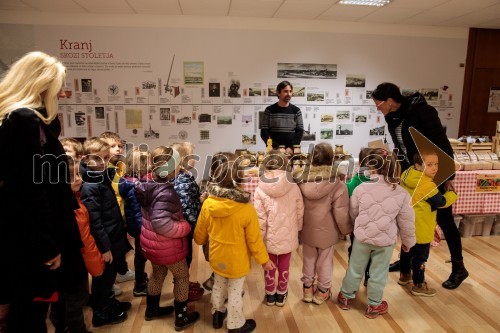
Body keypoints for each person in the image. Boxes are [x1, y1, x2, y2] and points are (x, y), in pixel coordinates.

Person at [0, 51, 87, 333]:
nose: (61, 92)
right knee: (31, 313)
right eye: (57, 85)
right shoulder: (24, 121)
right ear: (41, 83)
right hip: (35, 239)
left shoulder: (16, 119)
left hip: (28, 234)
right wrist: (48, 246)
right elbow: (32, 191)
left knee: (31, 310)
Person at [372, 82, 468, 289]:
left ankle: (459, 268)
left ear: (390, 100)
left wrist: (449, 175)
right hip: (412, 174)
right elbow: (401, 146)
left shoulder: (423, 112)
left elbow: (442, 143)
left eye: (378, 104)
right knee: (409, 217)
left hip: (434, 173)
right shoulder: (392, 116)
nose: (377, 108)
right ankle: (406, 262)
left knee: (444, 219)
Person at [194, 152, 275, 332]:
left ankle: (217, 314)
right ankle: (236, 324)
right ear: (240, 180)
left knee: (218, 286)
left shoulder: (208, 203)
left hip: (217, 257)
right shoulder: (247, 209)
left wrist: (199, 240)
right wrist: (264, 261)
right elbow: (255, 241)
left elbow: (200, 232)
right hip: (237, 261)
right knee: (235, 292)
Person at [337, 148, 416, 319]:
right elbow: (407, 222)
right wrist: (408, 243)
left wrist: (356, 226)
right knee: (378, 274)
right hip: (385, 241)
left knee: (355, 269)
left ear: (371, 168)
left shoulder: (361, 188)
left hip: (362, 238)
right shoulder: (402, 194)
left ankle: (345, 296)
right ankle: (374, 304)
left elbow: (353, 211)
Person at [135, 146, 200, 330]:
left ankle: (151, 310)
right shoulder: (166, 192)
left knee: (157, 275)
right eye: (178, 164)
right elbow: (162, 224)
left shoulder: (146, 184)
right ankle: (181, 318)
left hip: (152, 245)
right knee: (182, 278)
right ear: (171, 169)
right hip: (167, 246)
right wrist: (185, 226)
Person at [80, 137, 132, 327]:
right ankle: (100, 313)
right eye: (98, 159)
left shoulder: (100, 177)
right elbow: (94, 221)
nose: (103, 163)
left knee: (109, 277)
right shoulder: (90, 185)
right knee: (103, 278)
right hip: (105, 241)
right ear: (85, 160)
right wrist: (105, 248)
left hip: (112, 235)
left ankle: (108, 303)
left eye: (105, 158)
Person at [50, 159, 105, 333]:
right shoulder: (73, 208)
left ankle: (62, 326)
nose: (78, 179)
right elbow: (86, 241)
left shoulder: (66, 200)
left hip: (64, 263)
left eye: (78, 174)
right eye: (71, 176)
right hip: (73, 263)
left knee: (61, 300)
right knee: (75, 300)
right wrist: (97, 267)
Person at [293, 143, 351, 305]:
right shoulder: (338, 184)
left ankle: (307, 290)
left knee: (308, 259)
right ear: (331, 159)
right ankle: (322, 292)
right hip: (328, 230)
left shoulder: (300, 181)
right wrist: (345, 230)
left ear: (311, 159)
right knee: (325, 261)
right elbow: (341, 212)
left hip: (307, 229)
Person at [399, 151, 458, 296]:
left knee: (406, 250)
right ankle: (418, 285)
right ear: (418, 166)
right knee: (420, 257)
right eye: (429, 165)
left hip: (407, 224)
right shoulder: (426, 185)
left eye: (436, 164)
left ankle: (405, 275)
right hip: (422, 227)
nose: (435, 168)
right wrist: (452, 194)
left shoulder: (406, 174)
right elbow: (441, 202)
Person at [253, 151, 304, 307]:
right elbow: (300, 210)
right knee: (284, 265)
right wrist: (298, 228)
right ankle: (281, 293)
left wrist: (258, 238)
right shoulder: (294, 186)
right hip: (288, 234)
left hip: (269, 236)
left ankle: (270, 294)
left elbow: (259, 217)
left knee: (268, 265)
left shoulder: (259, 188)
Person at [99, 131, 135, 292]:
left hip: (120, 213)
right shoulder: (105, 169)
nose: (118, 149)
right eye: (113, 146)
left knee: (120, 248)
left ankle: (121, 271)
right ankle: (108, 283)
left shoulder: (120, 166)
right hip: (109, 216)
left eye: (120, 146)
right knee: (110, 252)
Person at [170, 142, 205, 302]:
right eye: (192, 156)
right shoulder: (182, 180)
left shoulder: (183, 177)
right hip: (183, 230)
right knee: (185, 260)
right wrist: (195, 227)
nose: (195, 159)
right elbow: (185, 208)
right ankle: (182, 292)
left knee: (184, 260)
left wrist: (199, 198)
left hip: (181, 229)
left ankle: (183, 284)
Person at [118, 147, 151, 297]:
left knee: (140, 255)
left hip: (136, 224)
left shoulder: (127, 181)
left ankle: (140, 279)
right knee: (141, 255)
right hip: (142, 225)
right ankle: (139, 285)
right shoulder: (138, 185)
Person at [346, 147, 373, 287]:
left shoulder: (353, 181)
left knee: (356, 251)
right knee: (371, 252)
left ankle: (353, 277)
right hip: (371, 225)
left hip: (357, 224)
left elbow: (348, 199)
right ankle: (368, 276)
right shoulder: (379, 182)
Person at [260, 81, 304, 154]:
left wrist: (291, 147)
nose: (289, 94)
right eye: (285, 91)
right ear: (278, 92)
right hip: (273, 151)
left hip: (291, 152)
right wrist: (275, 147)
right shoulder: (269, 110)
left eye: (290, 91)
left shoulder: (296, 111)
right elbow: (264, 132)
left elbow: (299, 131)